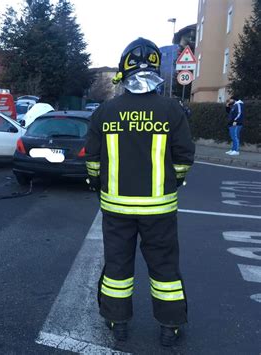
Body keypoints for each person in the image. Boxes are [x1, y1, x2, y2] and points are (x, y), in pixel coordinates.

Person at [85, 38, 195, 347]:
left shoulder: (105, 111)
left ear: (123, 70)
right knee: (164, 269)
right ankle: (169, 328)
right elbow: (185, 157)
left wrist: (97, 183)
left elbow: (92, 160)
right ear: (157, 69)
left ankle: (117, 323)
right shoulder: (172, 110)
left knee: (118, 267)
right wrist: (171, 182)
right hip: (159, 210)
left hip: (116, 209)